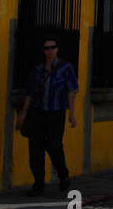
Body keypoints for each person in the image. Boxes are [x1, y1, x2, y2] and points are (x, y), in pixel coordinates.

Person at [16, 37, 78, 196]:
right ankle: (38, 184)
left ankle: (63, 174)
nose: (49, 51)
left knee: (54, 146)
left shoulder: (65, 68)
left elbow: (72, 91)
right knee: (35, 149)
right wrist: (23, 113)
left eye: (52, 48)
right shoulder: (38, 70)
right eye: (46, 48)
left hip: (56, 112)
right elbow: (30, 93)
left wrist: (72, 114)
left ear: (57, 49)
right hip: (38, 112)